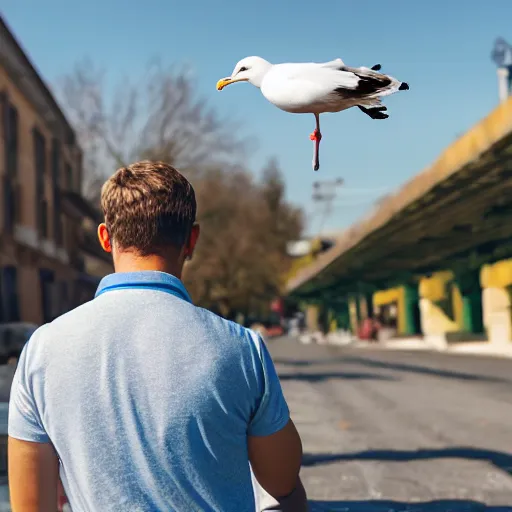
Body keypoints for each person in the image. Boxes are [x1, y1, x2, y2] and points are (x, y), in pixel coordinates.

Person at [8, 161, 307, 512]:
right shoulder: (240, 347)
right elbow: (282, 480)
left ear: (105, 238)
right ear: (191, 239)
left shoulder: (42, 350)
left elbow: (31, 505)